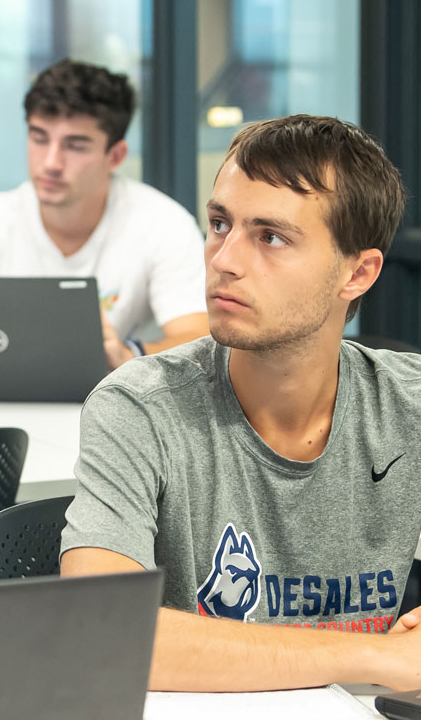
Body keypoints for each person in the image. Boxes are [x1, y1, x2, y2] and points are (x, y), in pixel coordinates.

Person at [59, 114, 421, 691]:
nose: (224, 259)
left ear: (358, 272)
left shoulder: (409, 403)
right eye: (220, 224)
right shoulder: (140, 407)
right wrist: (376, 657)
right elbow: (103, 632)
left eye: (270, 237)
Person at [0, 59, 209, 369]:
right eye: (39, 138)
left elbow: (199, 340)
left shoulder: (162, 224)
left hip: (112, 403)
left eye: (76, 146)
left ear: (115, 156)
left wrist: (128, 356)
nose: (51, 163)